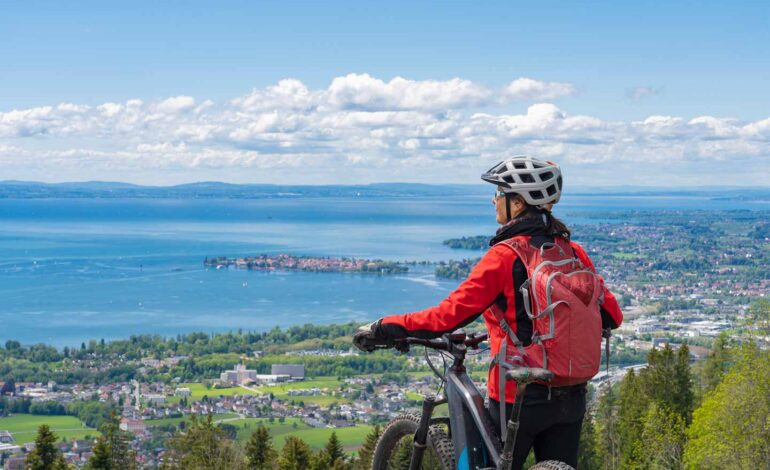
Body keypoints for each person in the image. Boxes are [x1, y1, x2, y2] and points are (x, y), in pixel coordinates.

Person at [353, 155, 623, 469]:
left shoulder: (505, 256)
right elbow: (612, 316)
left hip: (518, 396)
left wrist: (384, 326)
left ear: (518, 203)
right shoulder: (573, 252)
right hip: (572, 394)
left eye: (499, 193)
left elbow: (446, 317)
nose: (493, 200)